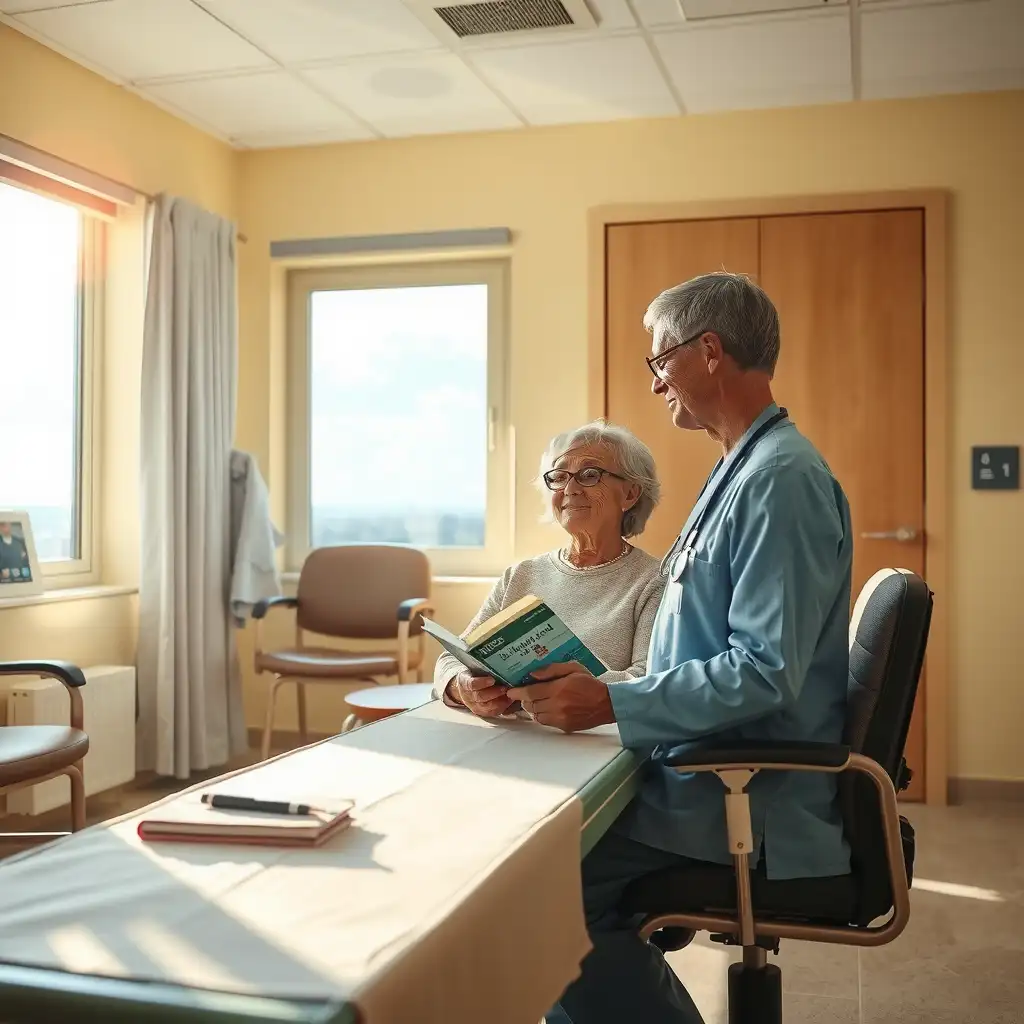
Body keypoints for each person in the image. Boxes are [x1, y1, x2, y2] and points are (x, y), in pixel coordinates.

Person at [517, 273, 854, 1024]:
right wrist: (603, 681)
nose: (656, 380)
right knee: (539, 862)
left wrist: (612, 699)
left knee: (538, 896)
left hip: (743, 798)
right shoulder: (738, 469)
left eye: (658, 359)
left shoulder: (782, 480)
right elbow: (696, 642)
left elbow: (763, 671)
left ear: (708, 351)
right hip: (699, 771)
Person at [434, 422, 666, 715]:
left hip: (593, 741)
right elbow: (452, 657)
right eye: (559, 477)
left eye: (590, 475)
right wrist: (461, 686)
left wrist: (581, 691)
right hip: (511, 737)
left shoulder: (654, 580)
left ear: (630, 494)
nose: (570, 489)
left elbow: (650, 679)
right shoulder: (520, 575)